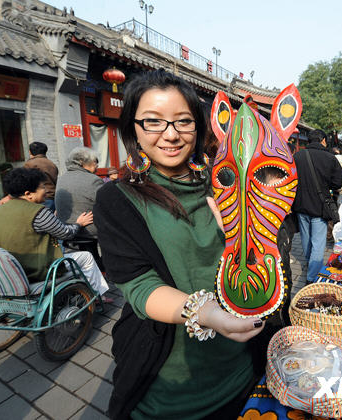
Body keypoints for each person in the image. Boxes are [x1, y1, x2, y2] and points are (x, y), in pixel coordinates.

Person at [93, 69, 264, 420]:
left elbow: (263, 261)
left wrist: (246, 237)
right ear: (133, 129)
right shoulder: (117, 199)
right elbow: (139, 284)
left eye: (183, 121)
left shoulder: (227, 185)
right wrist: (206, 313)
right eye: (153, 122)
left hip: (244, 372)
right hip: (170, 388)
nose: (170, 135)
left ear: (199, 128)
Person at [0, 168, 109, 298]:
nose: (47, 191)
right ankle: (98, 296)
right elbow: (66, 234)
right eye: (42, 187)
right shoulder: (39, 212)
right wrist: (79, 223)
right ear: (28, 193)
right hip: (33, 271)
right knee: (86, 257)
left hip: (6, 270)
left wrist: (52, 219)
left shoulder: (1, 209)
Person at [292, 129, 342, 283]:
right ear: (323, 140)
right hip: (319, 206)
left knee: (306, 238)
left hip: (300, 204)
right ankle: (312, 277)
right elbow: (338, 182)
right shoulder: (329, 157)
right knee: (318, 243)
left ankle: (310, 265)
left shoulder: (297, 156)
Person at [55, 147, 103, 240]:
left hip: (66, 228)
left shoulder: (61, 178)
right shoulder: (93, 180)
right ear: (82, 162)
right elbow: (107, 204)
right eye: (94, 161)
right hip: (89, 230)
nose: (97, 165)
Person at [23, 141, 58, 211]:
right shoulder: (52, 164)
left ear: (30, 152)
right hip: (51, 197)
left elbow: (24, 182)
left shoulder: (29, 164)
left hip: (38, 198)